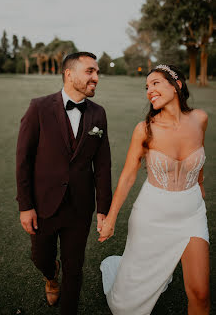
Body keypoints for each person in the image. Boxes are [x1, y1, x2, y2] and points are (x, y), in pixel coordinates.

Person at [99, 65, 210, 315]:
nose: (149, 90)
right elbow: (128, 176)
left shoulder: (200, 119)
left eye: (156, 83)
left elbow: (200, 155)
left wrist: (199, 184)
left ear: (177, 85)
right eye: (147, 87)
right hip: (152, 215)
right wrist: (112, 218)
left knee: (201, 295)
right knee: (126, 305)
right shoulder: (145, 129)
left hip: (192, 213)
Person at [16, 52, 112, 315]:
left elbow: (103, 165)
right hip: (43, 204)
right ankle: (50, 274)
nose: (96, 78)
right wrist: (26, 206)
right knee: (41, 258)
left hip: (80, 207)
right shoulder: (39, 107)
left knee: (75, 267)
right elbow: (23, 160)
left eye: (97, 72)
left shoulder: (98, 114)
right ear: (69, 74)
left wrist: (104, 209)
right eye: (90, 71)